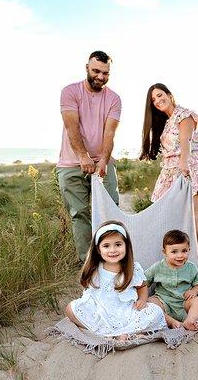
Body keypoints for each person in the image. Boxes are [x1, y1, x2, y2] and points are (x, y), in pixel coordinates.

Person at [139, 83, 198, 272]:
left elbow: (185, 141)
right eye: (153, 100)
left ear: (169, 95)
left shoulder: (185, 115)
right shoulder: (166, 122)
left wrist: (183, 165)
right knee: (167, 217)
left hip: (189, 170)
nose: (157, 101)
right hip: (170, 173)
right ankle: (173, 264)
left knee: (190, 218)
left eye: (160, 95)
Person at [57, 51, 122, 261]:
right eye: (96, 71)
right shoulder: (69, 92)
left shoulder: (114, 99)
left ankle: (115, 260)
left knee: (111, 210)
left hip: (102, 162)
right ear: (87, 68)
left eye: (105, 73)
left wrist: (103, 160)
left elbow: (110, 132)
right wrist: (83, 156)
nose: (100, 77)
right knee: (80, 214)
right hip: (71, 164)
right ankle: (88, 264)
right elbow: (71, 126)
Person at [64, 220, 167, 339]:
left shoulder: (132, 268)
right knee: (71, 308)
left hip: (126, 311)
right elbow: (88, 290)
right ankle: (108, 332)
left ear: (126, 246)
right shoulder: (95, 268)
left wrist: (142, 300)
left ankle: (125, 332)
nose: (112, 250)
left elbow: (142, 286)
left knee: (156, 312)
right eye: (106, 246)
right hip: (101, 310)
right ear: (98, 249)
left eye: (118, 244)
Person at [145, 230, 198, 331]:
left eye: (184, 251)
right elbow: (144, 282)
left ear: (189, 250)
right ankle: (171, 321)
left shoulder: (191, 267)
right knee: (149, 303)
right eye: (174, 252)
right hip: (163, 301)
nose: (180, 256)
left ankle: (189, 321)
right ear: (165, 252)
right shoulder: (157, 267)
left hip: (184, 302)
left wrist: (194, 291)